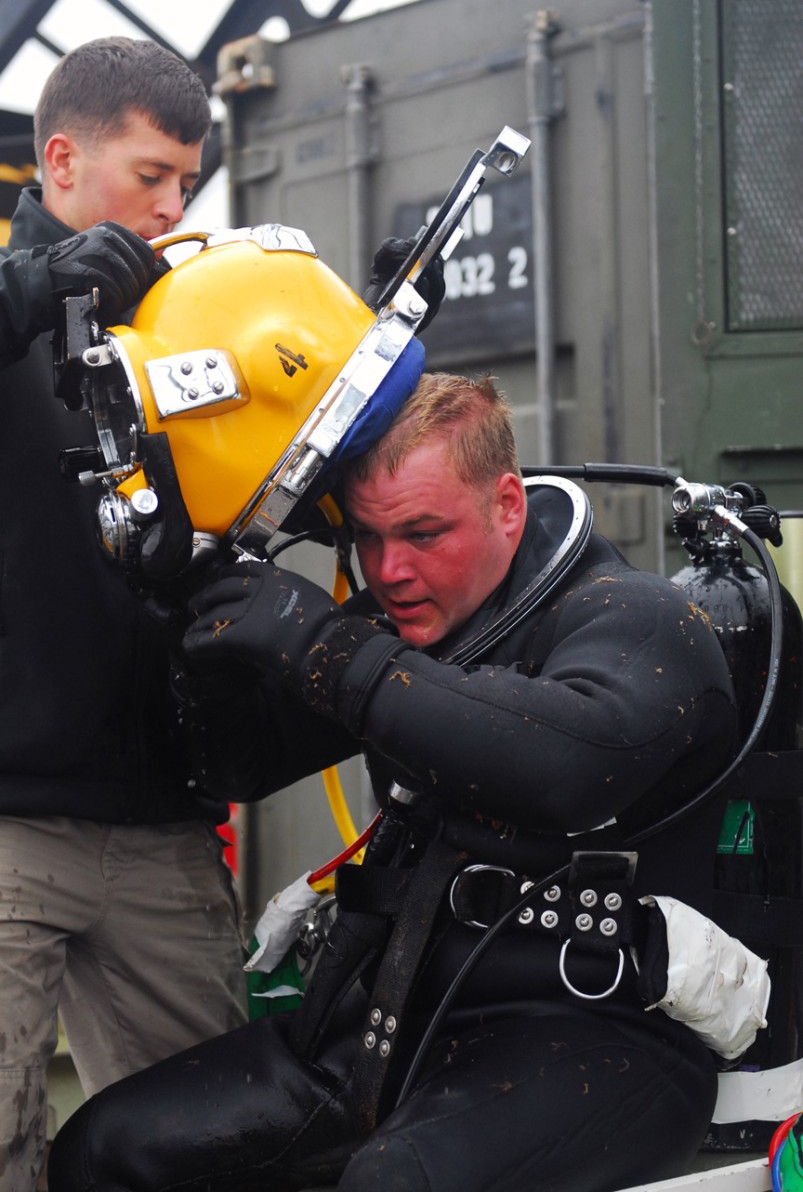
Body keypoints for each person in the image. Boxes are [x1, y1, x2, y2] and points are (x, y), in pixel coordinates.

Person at [49, 371, 740, 1192]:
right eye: (367, 538)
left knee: (394, 1183)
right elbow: (239, 763)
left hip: (602, 1043)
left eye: (421, 533)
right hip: (388, 1032)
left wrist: (327, 652)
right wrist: (197, 609)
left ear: (508, 505)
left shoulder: (638, 617)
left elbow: (565, 768)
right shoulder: (405, 629)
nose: (389, 569)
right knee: (103, 1147)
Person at [0, 37, 252, 1192]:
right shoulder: (16, 305)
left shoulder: (183, 325)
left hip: (162, 818)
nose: (172, 205)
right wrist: (26, 291)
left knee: (218, 1143)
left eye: (186, 183)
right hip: (10, 825)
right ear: (59, 159)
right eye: (150, 175)